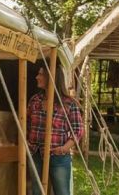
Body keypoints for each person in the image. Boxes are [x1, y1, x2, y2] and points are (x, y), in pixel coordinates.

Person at [27, 63, 84, 195]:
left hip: (57, 155)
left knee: (62, 192)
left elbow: (78, 130)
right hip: (35, 153)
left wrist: (64, 148)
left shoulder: (68, 103)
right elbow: (28, 124)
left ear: (51, 77)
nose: (37, 77)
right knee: (36, 191)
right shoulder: (35, 100)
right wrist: (28, 142)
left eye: (40, 74)